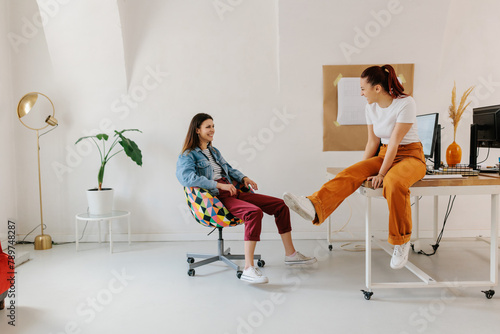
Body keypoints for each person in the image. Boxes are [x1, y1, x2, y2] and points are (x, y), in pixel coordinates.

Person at [283, 64, 426, 270]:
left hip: (411, 156)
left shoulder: (406, 103)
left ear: (377, 88)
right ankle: (314, 205)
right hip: (385, 154)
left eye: (362, 89)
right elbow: (372, 143)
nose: (361, 93)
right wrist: (364, 170)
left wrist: (381, 173)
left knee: (393, 183)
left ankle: (401, 241)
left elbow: (395, 142)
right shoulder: (370, 108)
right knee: (350, 172)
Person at [176, 113, 316, 284]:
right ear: (197, 130)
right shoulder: (188, 155)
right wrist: (218, 185)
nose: (212, 130)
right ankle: (249, 269)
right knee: (254, 213)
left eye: (213, 126)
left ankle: (291, 254)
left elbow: (228, 168)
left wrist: (244, 178)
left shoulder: (213, 151)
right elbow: (186, 178)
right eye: (208, 127)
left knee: (280, 205)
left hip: (233, 190)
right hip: (216, 199)